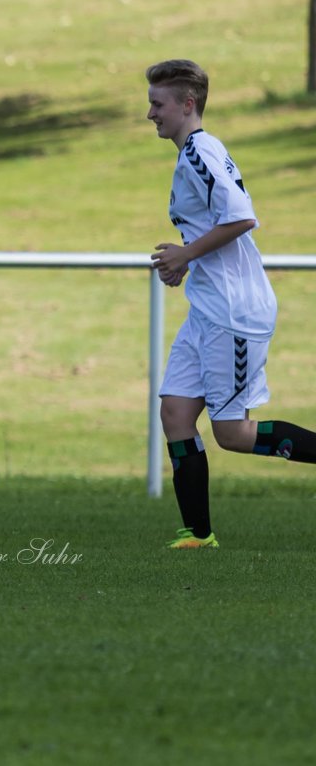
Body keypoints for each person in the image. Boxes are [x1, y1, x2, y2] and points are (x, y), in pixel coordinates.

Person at [146, 59, 316, 549]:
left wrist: (185, 254)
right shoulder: (191, 155)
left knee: (233, 434)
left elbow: (242, 217)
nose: (150, 114)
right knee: (176, 412)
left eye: (158, 104)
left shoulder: (202, 151)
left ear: (187, 104)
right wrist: (185, 264)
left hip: (235, 313)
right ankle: (198, 536)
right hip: (208, 310)